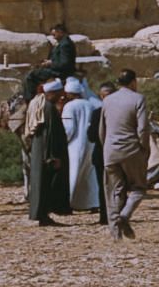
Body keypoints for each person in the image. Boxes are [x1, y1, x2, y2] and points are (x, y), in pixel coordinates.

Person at [100, 70, 150, 239]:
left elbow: (102, 129)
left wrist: (106, 147)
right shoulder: (138, 99)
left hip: (110, 151)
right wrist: (144, 148)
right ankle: (125, 215)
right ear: (133, 82)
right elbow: (142, 128)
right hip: (131, 149)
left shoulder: (107, 100)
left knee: (115, 191)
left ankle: (115, 234)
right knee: (139, 187)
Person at [23, 78, 66, 226]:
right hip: (45, 151)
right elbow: (51, 134)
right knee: (44, 183)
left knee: (39, 182)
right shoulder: (48, 107)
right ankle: (42, 215)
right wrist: (53, 156)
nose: (61, 96)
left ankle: (41, 214)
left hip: (38, 149)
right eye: (59, 93)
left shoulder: (39, 103)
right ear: (52, 93)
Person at [61, 77, 99, 216]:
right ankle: (93, 203)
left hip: (75, 145)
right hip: (90, 143)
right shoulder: (89, 104)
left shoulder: (69, 107)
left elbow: (69, 129)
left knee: (73, 174)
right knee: (89, 174)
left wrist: (62, 142)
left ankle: (68, 203)